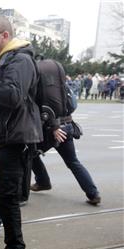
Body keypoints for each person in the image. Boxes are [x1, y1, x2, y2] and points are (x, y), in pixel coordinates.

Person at [0, 16, 43, 249]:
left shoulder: (20, 59)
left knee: (7, 197)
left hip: (13, 140)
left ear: (4, 36)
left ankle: (15, 248)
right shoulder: (2, 59)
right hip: (1, 138)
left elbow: (13, 96)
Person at [30, 59, 101, 206]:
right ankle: (93, 193)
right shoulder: (63, 88)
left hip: (52, 130)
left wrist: (55, 126)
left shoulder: (42, 88)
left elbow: (44, 109)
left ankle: (43, 181)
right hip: (67, 125)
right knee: (73, 162)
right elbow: (73, 105)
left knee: (30, 154)